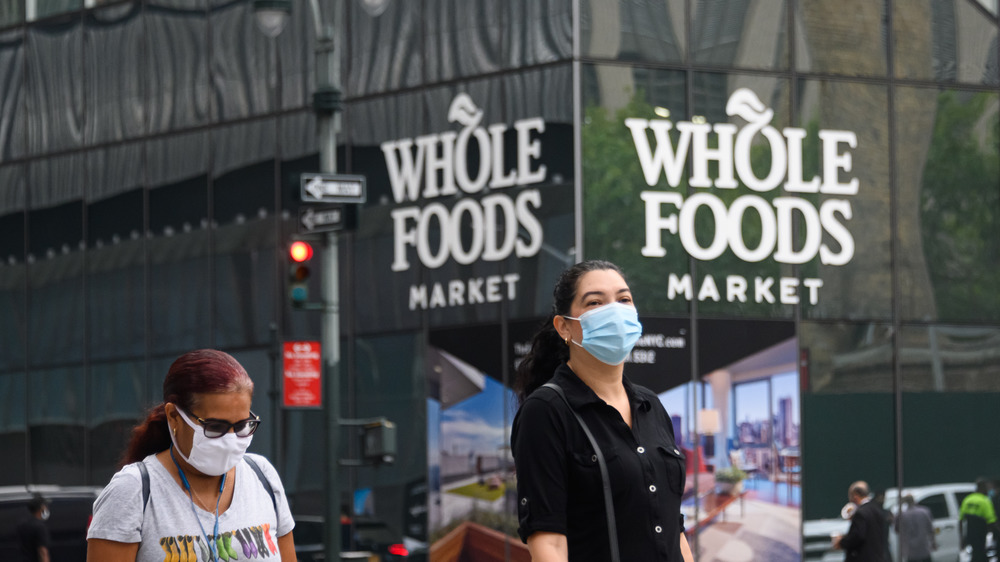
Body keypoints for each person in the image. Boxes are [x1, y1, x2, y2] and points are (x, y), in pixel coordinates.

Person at [511, 260, 695, 562]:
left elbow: (674, 528)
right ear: (565, 327)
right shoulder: (546, 412)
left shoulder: (652, 406)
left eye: (623, 300)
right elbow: (549, 545)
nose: (615, 311)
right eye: (595, 302)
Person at [87, 349, 296, 561]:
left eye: (243, 425)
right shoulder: (132, 491)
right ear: (174, 416)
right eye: (215, 426)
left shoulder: (262, 476)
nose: (232, 439)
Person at [833, 481, 889, 561]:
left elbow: (857, 536)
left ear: (855, 496)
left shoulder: (860, 513)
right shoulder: (877, 509)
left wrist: (841, 542)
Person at [959, 478, 998, 562]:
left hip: (970, 535)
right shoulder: (985, 501)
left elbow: (961, 520)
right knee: (980, 555)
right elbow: (992, 521)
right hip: (981, 535)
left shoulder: (967, 499)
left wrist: (961, 538)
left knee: (976, 555)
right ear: (983, 488)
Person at [895, 494, 936, 562]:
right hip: (924, 548)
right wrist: (933, 542)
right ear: (914, 500)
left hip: (911, 551)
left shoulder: (902, 515)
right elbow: (931, 529)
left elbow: (897, 529)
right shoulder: (924, 512)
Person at [16, 495, 50, 562]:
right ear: (42, 507)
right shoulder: (39, 527)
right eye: (45, 506)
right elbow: (42, 552)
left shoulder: (22, 525)